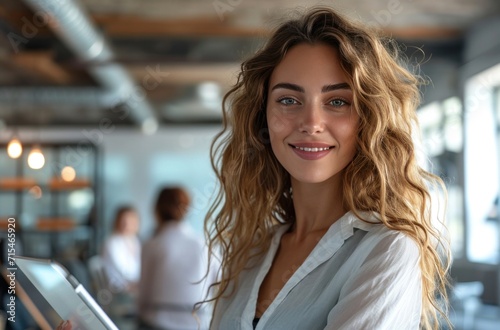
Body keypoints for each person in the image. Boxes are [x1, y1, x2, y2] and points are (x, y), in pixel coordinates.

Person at [204, 6, 451, 330]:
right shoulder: (253, 251)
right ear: (261, 116)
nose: (311, 123)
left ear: (369, 119)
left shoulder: (387, 248)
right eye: (289, 100)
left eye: (337, 102)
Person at [138, 186, 218, 330]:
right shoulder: (204, 243)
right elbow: (217, 285)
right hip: (199, 322)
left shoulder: (151, 244)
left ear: (157, 210)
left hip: (157, 322)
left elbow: (144, 294)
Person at [101, 205, 142, 293]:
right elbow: (123, 271)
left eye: (131, 221)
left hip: (133, 285)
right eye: (124, 221)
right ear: (117, 222)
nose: (127, 225)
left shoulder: (135, 240)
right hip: (118, 289)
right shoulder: (112, 242)